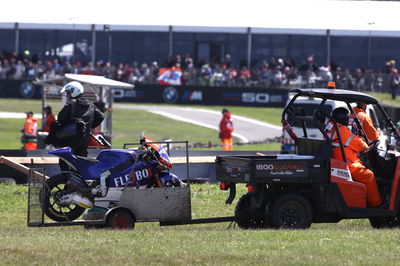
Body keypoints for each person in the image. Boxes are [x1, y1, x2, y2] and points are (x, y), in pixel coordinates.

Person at [330, 107, 382, 207]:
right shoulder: (343, 131)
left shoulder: (331, 129)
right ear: (345, 119)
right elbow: (362, 146)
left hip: (338, 163)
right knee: (369, 175)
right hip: (347, 166)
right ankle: (377, 205)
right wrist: (362, 140)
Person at [51, 81, 104, 159]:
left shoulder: (71, 103)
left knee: (65, 164)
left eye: (68, 93)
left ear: (74, 92)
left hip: (70, 140)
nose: (67, 95)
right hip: (84, 142)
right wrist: (89, 126)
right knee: (81, 165)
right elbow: (101, 116)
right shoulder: (90, 105)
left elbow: (60, 118)